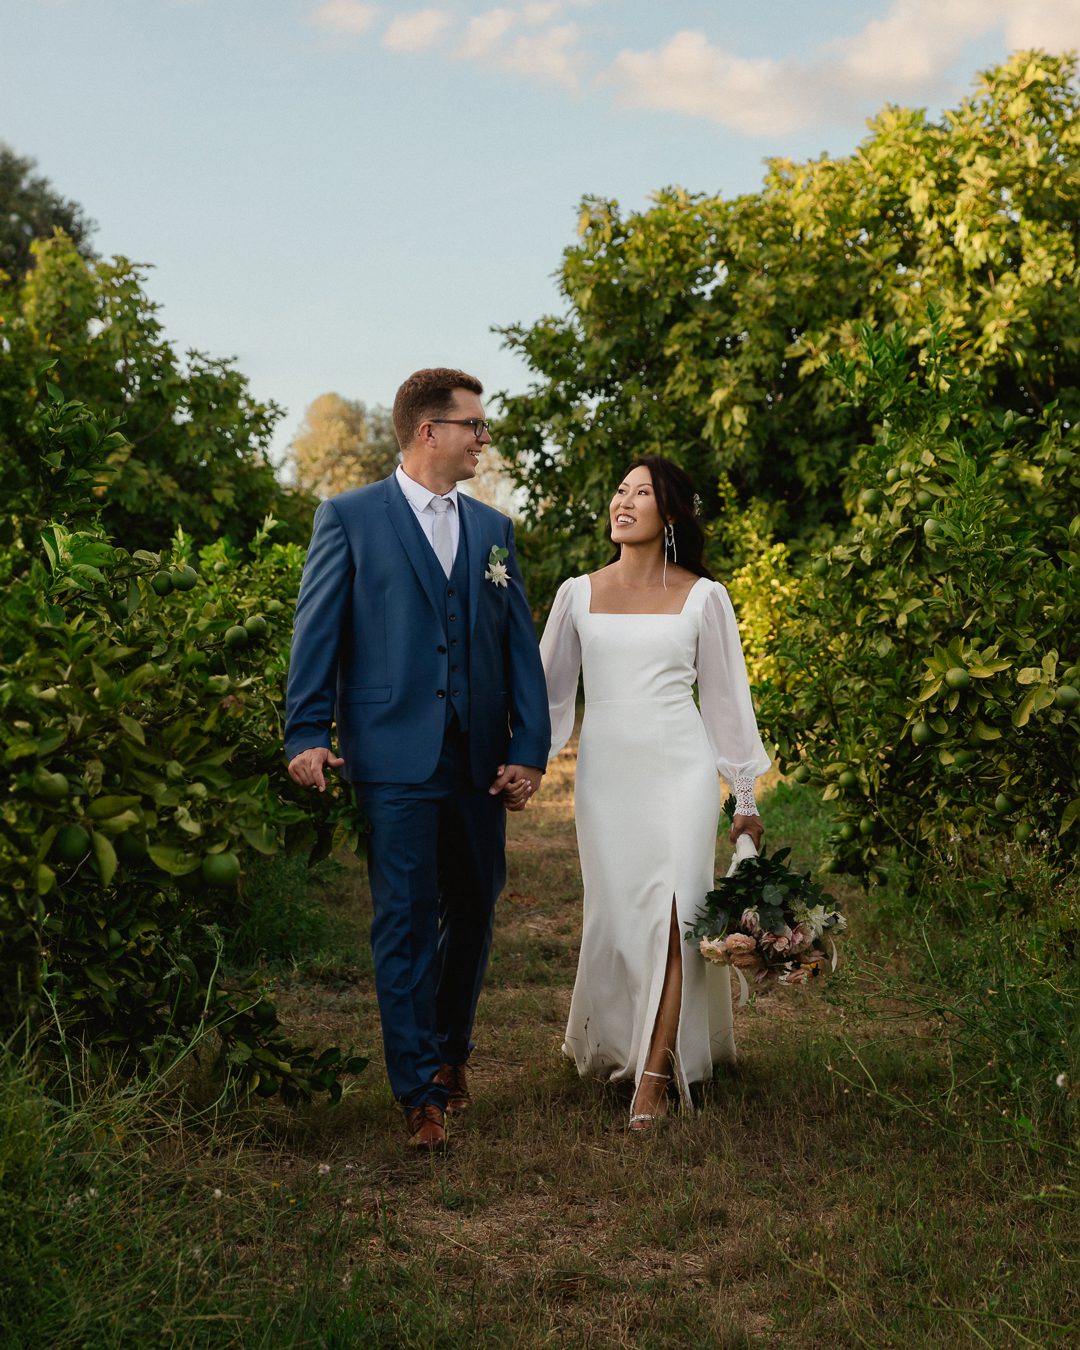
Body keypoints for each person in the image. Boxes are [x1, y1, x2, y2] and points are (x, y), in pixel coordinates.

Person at [285, 368, 550, 1151]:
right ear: (430, 431)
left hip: (478, 758)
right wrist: (306, 731)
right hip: (391, 752)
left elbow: (518, 646)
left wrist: (528, 749)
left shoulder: (495, 530)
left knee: (474, 906)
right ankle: (420, 1094)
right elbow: (317, 631)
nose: (484, 438)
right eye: (475, 425)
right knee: (402, 918)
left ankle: (450, 1047)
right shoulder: (348, 517)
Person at [540, 456, 769, 1130]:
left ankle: (656, 1076)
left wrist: (745, 798)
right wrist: (521, 764)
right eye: (619, 490)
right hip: (606, 779)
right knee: (616, 920)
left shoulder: (704, 597)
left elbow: (726, 702)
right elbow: (547, 695)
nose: (623, 501)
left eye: (640, 493)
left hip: (680, 770)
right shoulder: (576, 594)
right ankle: (621, 1041)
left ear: (669, 514)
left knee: (678, 914)